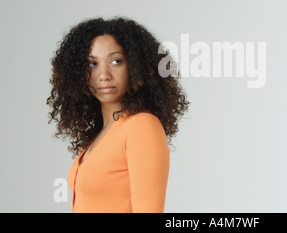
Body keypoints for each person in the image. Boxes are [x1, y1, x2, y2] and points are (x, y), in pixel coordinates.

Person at [46, 16, 190, 213]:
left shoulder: (141, 126)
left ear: (136, 66)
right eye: (92, 64)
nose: (103, 75)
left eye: (116, 61)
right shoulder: (103, 132)